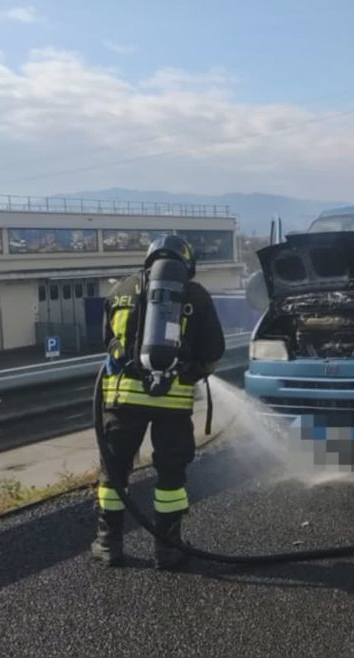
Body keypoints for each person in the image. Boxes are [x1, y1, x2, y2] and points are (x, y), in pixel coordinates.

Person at [91, 235, 225, 570]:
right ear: (187, 263)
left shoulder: (121, 290)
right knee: (170, 478)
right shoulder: (195, 295)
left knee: (114, 473)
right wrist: (193, 370)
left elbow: (107, 340)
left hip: (122, 400)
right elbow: (214, 350)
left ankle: (108, 544)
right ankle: (168, 549)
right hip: (172, 404)